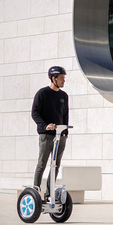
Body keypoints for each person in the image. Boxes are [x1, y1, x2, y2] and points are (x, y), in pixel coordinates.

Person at [31, 66, 69, 202]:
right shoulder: (42, 93)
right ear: (54, 79)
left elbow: (65, 116)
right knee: (42, 163)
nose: (64, 81)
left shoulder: (64, 96)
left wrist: (65, 132)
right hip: (46, 135)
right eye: (61, 78)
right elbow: (34, 113)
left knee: (56, 165)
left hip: (60, 136)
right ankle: (35, 191)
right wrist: (45, 126)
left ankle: (48, 194)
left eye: (64, 78)